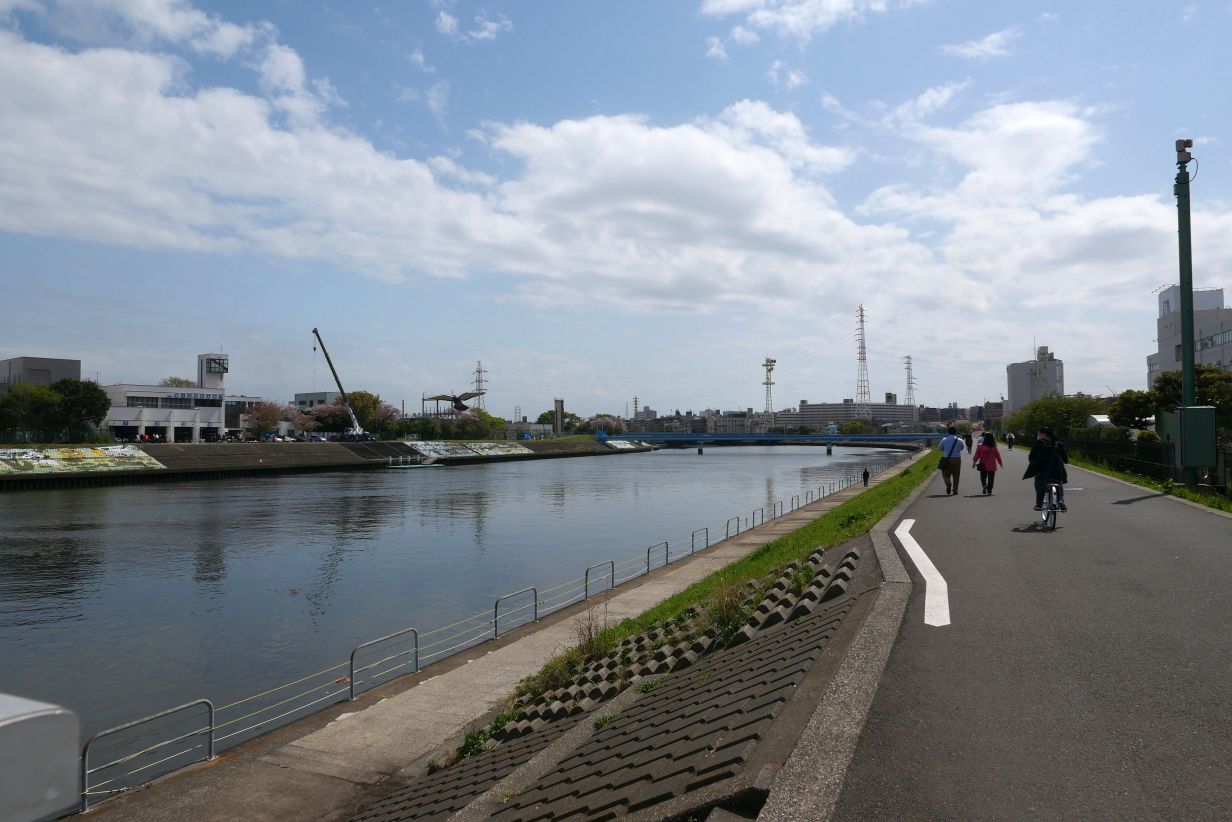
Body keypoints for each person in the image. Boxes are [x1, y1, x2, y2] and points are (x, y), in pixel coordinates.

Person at [1023, 426, 1068, 511]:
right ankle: (1061, 500)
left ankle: (1039, 504)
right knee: (1058, 481)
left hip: (1041, 469)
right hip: (1056, 469)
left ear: (1043, 434)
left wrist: (1033, 464)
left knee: (1039, 483)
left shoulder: (1038, 443)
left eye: (1038, 434)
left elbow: (1031, 456)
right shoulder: (1058, 443)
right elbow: (1065, 460)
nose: (1038, 436)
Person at [938, 425, 965, 495]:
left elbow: (940, 448)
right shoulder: (960, 440)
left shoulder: (944, 440)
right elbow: (962, 448)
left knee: (945, 474)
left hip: (947, 459)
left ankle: (948, 484)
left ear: (948, 432)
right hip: (957, 459)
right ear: (956, 432)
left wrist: (946, 449)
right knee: (956, 476)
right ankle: (955, 490)